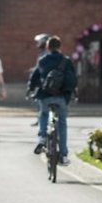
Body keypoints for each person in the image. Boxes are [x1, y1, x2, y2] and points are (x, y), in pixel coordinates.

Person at [29, 35, 77, 165]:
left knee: (43, 114)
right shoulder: (66, 61)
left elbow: (35, 77)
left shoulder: (42, 60)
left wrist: (31, 89)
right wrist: (71, 92)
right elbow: (73, 79)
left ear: (47, 47)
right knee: (62, 123)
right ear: (60, 47)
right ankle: (63, 156)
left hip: (45, 96)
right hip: (62, 97)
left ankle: (42, 137)